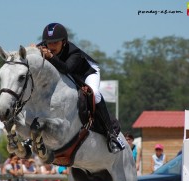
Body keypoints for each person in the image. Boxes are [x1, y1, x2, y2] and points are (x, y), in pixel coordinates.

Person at [38, 22, 125, 153]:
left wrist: (50, 57)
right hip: (71, 75)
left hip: (87, 73)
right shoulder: (44, 47)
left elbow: (66, 69)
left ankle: (111, 134)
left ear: (64, 42)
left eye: (56, 43)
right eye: (49, 43)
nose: (52, 46)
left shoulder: (74, 53)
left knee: (94, 93)